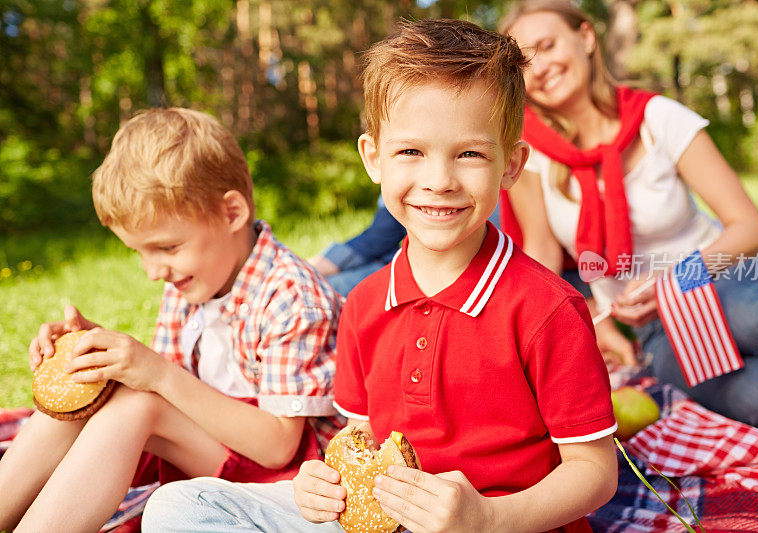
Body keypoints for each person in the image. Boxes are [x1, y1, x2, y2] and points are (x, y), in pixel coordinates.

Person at [142, 18, 618, 533]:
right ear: (374, 159)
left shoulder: (547, 308)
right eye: (411, 152)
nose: (438, 181)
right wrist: (320, 481)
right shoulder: (365, 304)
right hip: (382, 522)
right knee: (179, 507)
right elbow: (359, 440)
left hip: (503, 523)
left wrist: (490, 517)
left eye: (470, 154)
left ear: (511, 164)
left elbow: (595, 472)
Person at [0, 108, 344, 533]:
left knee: (139, 404)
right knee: (93, 383)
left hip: (293, 482)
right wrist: (97, 351)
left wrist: (155, 373)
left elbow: (277, 446)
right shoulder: (194, 280)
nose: (153, 271)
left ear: (231, 213)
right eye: (140, 252)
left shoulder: (292, 297)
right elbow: (164, 381)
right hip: (217, 447)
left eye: (167, 247)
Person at [498, 0, 758, 428]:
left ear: (586, 38)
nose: (540, 67)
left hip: (727, 276)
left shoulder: (656, 117)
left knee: (757, 316)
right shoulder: (529, 153)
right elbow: (543, 255)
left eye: (547, 46)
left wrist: (676, 280)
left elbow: (751, 229)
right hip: (656, 324)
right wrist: (587, 321)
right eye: (524, 62)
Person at [307, 197, 501, 297]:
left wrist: (313, 270)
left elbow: (379, 238)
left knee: (327, 288)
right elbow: (382, 235)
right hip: (397, 260)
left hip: (438, 271)